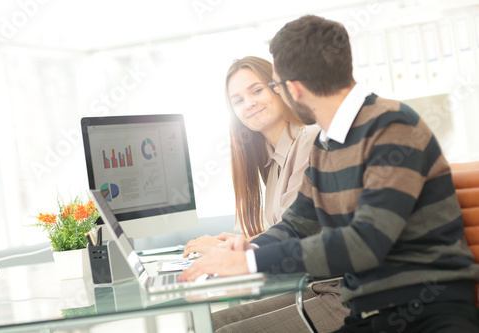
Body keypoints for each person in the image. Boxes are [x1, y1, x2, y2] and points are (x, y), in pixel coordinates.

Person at [180, 15, 479, 333]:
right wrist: (247, 250)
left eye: (274, 86)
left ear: (292, 88)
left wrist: (252, 264)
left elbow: (366, 241)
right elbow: (296, 225)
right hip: (368, 315)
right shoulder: (327, 144)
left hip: (425, 315)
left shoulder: (393, 126)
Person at [183, 56, 319, 254]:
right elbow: (284, 229)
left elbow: (298, 235)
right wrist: (244, 241)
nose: (248, 104)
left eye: (257, 90)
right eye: (238, 101)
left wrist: (227, 248)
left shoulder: (308, 138)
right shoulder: (272, 161)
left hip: (324, 281)